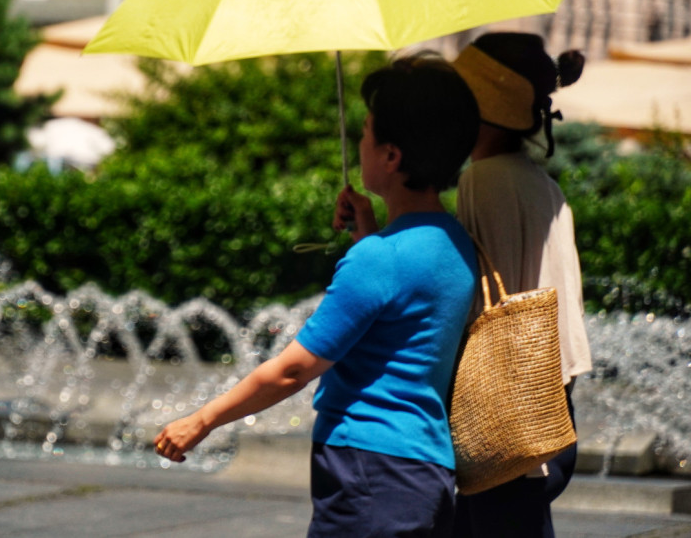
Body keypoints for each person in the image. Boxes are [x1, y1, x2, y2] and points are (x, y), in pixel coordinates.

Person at [154, 54, 481, 537]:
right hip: (424, 469)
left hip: (369, 469)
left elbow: (292, 371)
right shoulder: (454, 243)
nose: (361, 141)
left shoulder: (379, 261)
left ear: (392, 156)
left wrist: (201, 421)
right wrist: (368, 231)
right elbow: (398, 324)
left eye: (367, 132)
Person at [450, 33, 594, 537]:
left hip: (499, 409)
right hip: (549, 405)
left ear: (478, 110)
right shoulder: (542, 185)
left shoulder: (481, 181)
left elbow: (467, 298)